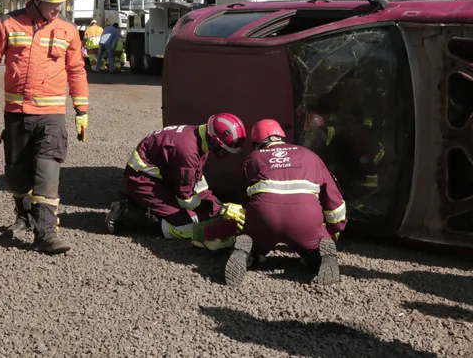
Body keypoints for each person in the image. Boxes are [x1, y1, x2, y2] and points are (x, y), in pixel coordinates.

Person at [0, 0, 89, 254]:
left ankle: (46, 233)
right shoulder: (9, 23)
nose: (58, 8)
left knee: (47, 172)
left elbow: (76, 70)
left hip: (51, 114)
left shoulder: (68, 30)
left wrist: (81, 110)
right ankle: (25, 216)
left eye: (61, 2)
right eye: (52, 3)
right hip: (16, 112)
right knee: (16, 173)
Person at [225, 119, 347, 286]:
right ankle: (318, 257)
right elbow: (333, 199)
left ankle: (248, 252)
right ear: (281, 136)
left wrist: (249, 222)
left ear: (256, 142)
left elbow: (243, 195)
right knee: (315, 245)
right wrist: (334, 229)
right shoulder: (309, 155)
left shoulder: (253, 158)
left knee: (252, 239)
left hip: (263, 217)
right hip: (305, 220)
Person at [104, 113, 248, 250]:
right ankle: (127, 212)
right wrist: (220, 210)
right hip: (141, 182)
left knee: (195, 213)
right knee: (183, 226)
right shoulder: (188, 152)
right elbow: (186, 199)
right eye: (223, 150)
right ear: (213, 140)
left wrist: (218, 204)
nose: (224, 154)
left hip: (155, 177)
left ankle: (137, 204)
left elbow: (197, 183)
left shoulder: (198, 138)